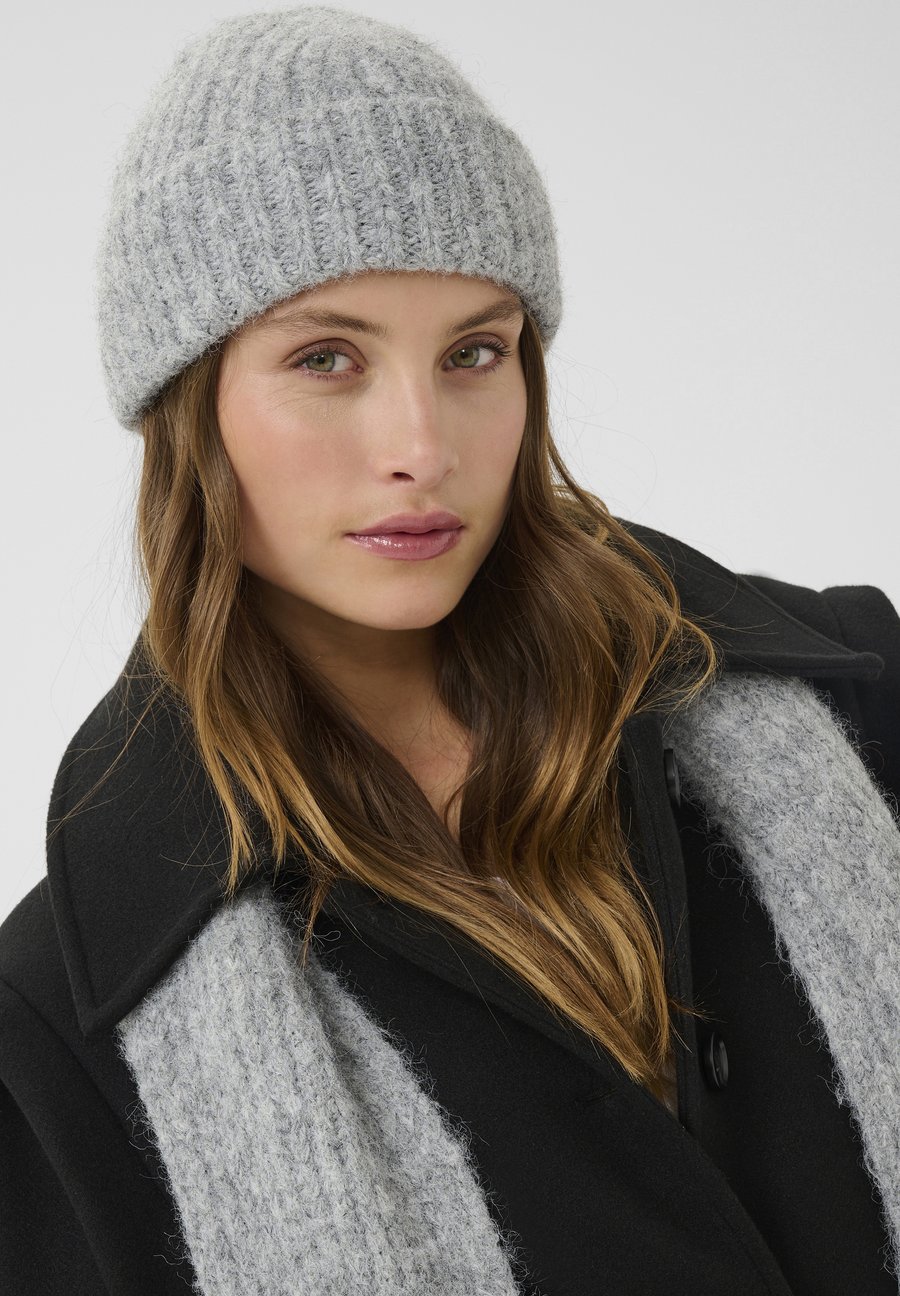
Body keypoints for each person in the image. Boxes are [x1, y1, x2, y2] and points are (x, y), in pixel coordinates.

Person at [2, 8, 899, 1295]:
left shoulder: (851, 703)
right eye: (327, 358)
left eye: (476, 351)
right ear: (189, 408)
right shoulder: (60, 1035)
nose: (422, 445)